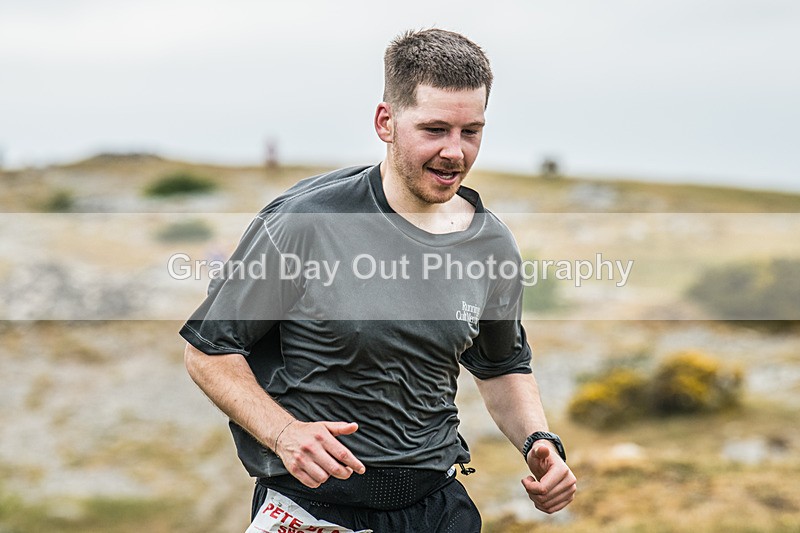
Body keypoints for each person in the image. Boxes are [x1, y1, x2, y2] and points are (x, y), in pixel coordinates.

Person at [180, 28, 576, 532]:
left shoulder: (490, 243)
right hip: (312, 509)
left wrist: (539, 441)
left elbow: (502, 366)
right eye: (434, 130)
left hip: (437, 507)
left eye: (470, 131)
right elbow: (208, 350)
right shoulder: (307, 222)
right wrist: (282, 433)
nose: (455, 152)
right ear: (385, 121)